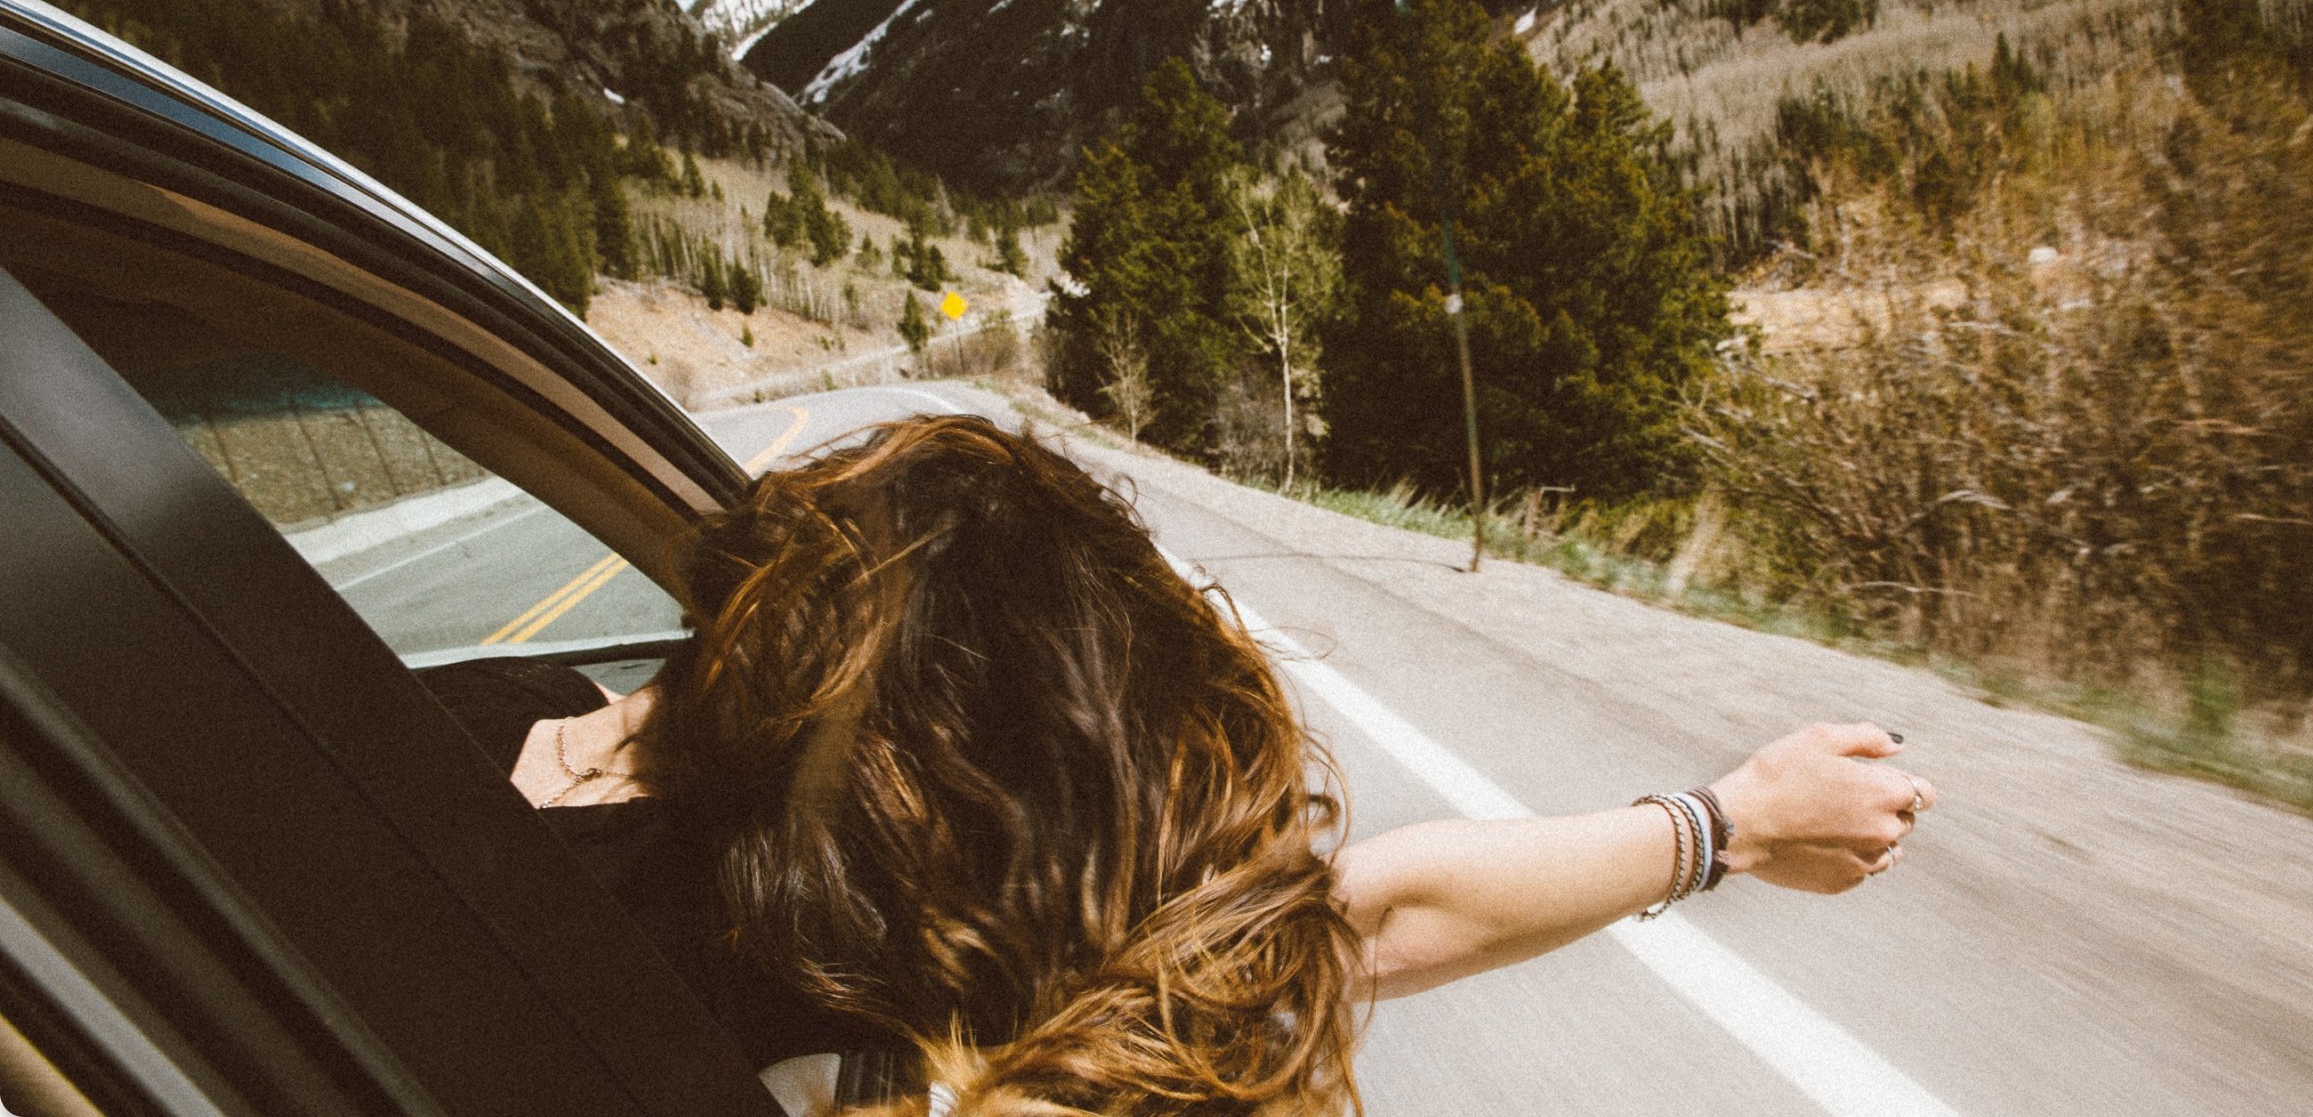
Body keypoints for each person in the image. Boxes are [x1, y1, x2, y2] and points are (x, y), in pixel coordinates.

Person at [426, 415, 1933, 1116]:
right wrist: (1724, 827)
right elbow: (1339, 931)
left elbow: (1338, 926)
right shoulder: (834, 972)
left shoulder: (461, 722)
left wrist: (1725, 823)